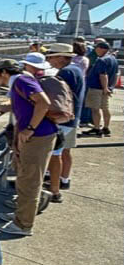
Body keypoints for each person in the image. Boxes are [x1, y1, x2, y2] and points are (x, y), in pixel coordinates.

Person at [0, 53, 56, 237]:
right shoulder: (23, 81)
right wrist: (4, 107)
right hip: (38, 136)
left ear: (4, 73)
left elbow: (43, 103)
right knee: (25, 177)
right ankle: (21, 214)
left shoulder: (21, 81)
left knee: (29, 180)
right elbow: (26, 105)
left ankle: (23, 224)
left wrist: (29, 129)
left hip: (38, 136)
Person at [44, 43, 84, 199]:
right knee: (65, 151)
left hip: (63, 120)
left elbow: (57, 98)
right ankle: (64, 179)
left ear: (61, 57)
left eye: (51, 57)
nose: (49, 60)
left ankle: (54, 190)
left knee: (55, 154)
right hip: (73, 117)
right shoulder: (76, 70)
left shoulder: (65, 72)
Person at [82, 39, 117, 137]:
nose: (95, 50)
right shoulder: (113, 59)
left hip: (97, 87)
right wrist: (110, 87)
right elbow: (116, 74)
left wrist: (105, 87)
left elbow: (103, 75)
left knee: (95, 109)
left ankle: (96, 128)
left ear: (101, 49)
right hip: (107, 87)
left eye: (96, 48)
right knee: (105, 108)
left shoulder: (101, 60)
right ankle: (106, 127)